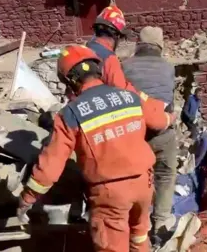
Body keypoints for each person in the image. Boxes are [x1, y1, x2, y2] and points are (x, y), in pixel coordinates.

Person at [17, 45, 176, 252]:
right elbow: (157, 120)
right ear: (97, 70)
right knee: (138, 235)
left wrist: (27, 198)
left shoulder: (71, 114)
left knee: (111, 247)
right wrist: (171, 117)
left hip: (110, 193)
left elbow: (51, 166)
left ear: (70, 81)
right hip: (144, 184)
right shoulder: (130, 96)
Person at [121, 26, 176, 247]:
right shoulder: (168, 68)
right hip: (162, 130)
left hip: (133, 133)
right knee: (165, 173)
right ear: (159, 47)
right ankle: (160, 223)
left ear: (138, 45)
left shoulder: (124, 66)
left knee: (134, 177)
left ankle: (134, 225)